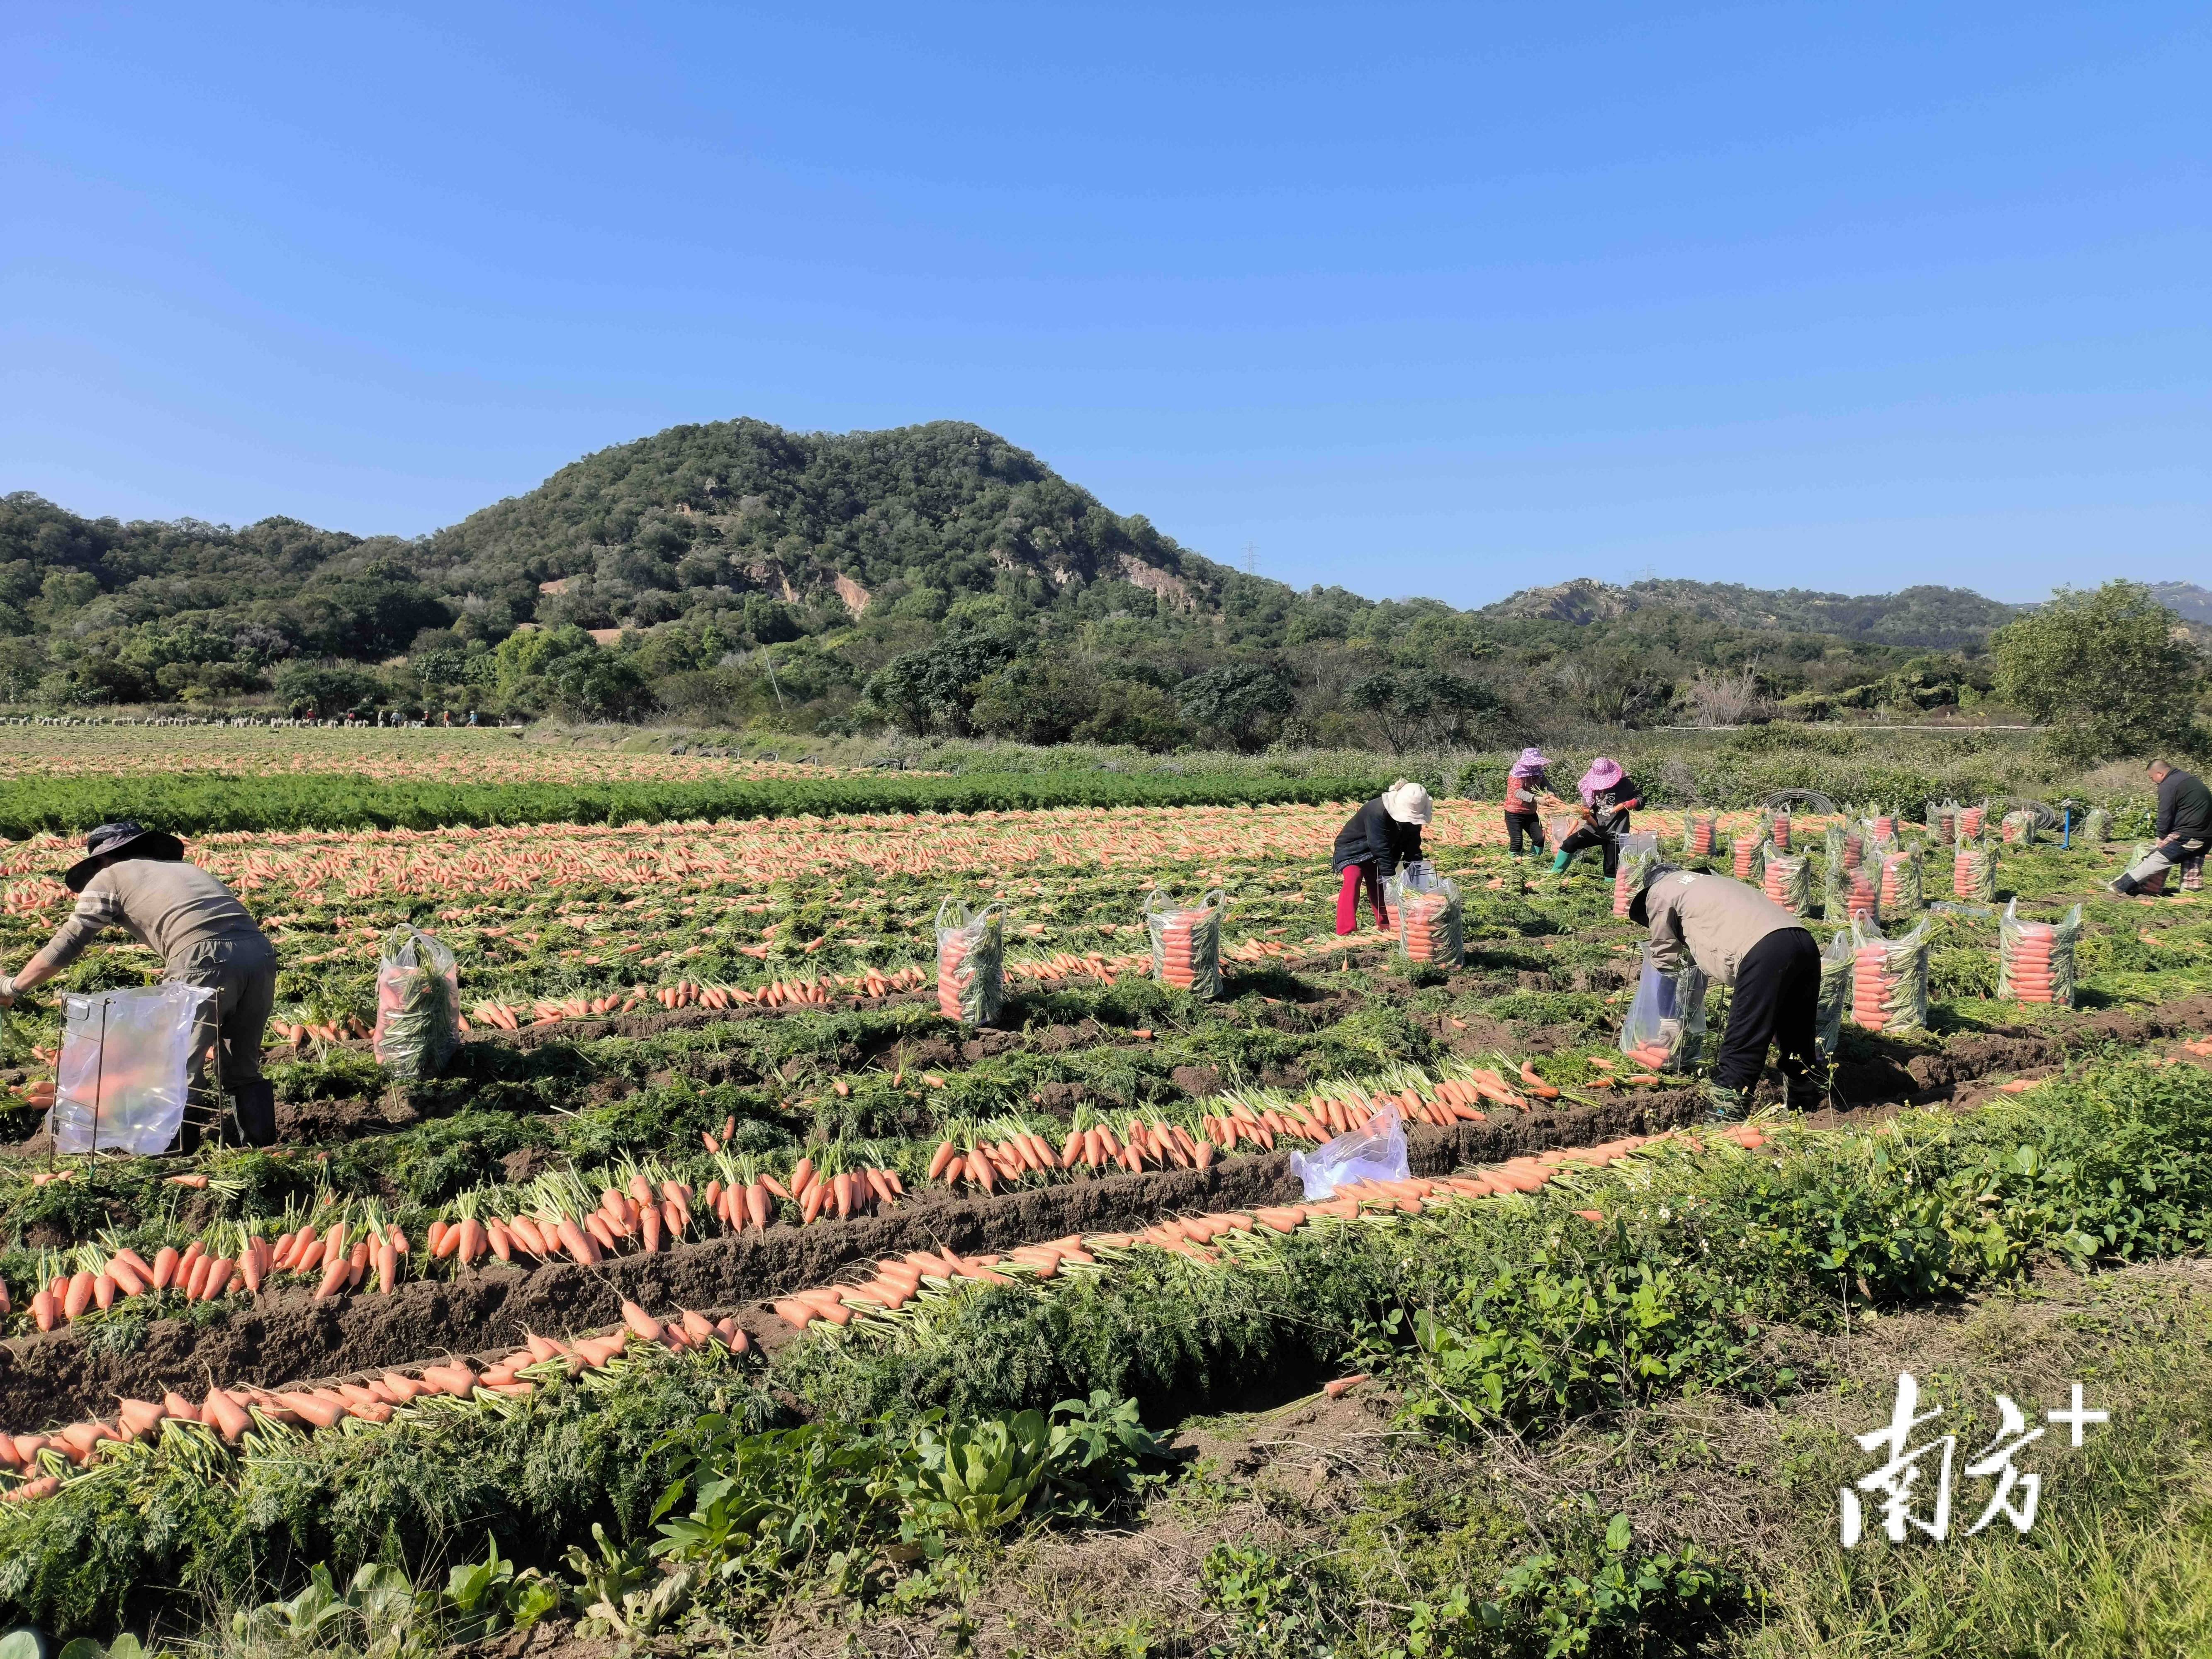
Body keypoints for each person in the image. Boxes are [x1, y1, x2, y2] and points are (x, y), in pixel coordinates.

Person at [0, 822, 280, 1146]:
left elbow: (70, 942)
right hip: (260, 955)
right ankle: (262, 1149)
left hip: (203, 958)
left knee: (176, 1064)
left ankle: (178, 1155)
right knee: (242, 1066)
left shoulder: (111, 877)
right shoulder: (183, 870)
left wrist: (13, 987)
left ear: (103, 860)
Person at [1630, 864, 1825, 1116]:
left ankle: (1724, 1121)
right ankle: (1805, 1109)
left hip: (1764, 951)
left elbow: (1665, 962)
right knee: (1796, 1034)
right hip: (1804, 943)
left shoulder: (1659, 892)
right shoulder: (1712, 887)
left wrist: (1669, 1022)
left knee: (1743, 1041)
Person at [1333, 779, 1432, 934]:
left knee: (1378, 883)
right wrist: (1389, 876)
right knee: (1355, 877)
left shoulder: (1413, 818)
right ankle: (1346, 930)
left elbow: (1413, 848)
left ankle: (1387, 926)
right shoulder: (1377, 811)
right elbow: (1379, 845)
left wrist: (1417, 874)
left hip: (1382, 850)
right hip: (1353, 849)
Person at [2110, 760, 2212, 897]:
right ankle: (2191, 893)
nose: (2153, 781)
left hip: (2189, 833)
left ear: (2160, 773)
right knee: (2192, 862)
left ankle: (2120, 886)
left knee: (2156, 859)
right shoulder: (2187, 779)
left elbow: (2165, 813)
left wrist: (2161, 835)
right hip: (2206, 835)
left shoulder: (2169, 784)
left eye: (2152, 778)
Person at [1554, 757, 1641, 876]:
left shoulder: (1625, 784)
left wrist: (1632, 803)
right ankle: (1555, 873)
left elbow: (1640, 799)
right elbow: (1586, 803)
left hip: (1615, 831)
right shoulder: (1590, 784)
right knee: (1569, 843)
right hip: (1594, 828)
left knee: (1611, 868)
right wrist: (1585, 812)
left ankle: (1610, 888)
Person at [1504, 747, 1551, 857]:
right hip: (1514, 812)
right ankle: (1514, 863)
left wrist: (1551, 793)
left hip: (1530, 813)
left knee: (1540, 838)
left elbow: (1546, 784)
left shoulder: (1538, 772)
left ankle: (1533, 860)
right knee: (1517, 842)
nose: (1534, 766)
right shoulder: (1516, 774)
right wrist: (1538, 799)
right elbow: (1518, 792)